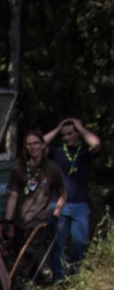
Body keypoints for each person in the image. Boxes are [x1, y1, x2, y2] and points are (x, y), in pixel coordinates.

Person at [2, 129, 66, 288]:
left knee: (24, 261)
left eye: (36, 143)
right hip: (20, 221)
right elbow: (13, 196)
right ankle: (41, 284)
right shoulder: (19, 169)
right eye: (29, 144)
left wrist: (55, 215)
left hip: (39, 223)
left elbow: (63, 194)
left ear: (43, 145)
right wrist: (7, 220)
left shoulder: (51, 170)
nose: (33, 147)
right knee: (20, 258)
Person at [44, 116, 102, 280]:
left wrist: (80, 126)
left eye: (70, 134)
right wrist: (58, 128)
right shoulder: (57, 151)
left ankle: (75, 274)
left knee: (80, 241)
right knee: (58, 242)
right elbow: (40, 144)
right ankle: (59, 278)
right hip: (59, 203)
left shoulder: (84, 151)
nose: (67, 138)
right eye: (64, 135)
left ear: (77, 134)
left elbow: (96, 143)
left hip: (80, 203)